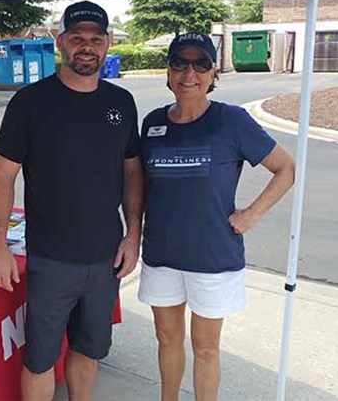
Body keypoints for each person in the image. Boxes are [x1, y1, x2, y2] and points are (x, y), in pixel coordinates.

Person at [0, 0, 144, 401]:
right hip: (51, 260)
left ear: (107, 44)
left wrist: (133, 236)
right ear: (60, 42)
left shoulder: (121, 103)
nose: (86, 47)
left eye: (95, 39)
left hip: (105, 256)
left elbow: (131, 172)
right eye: (77, 38)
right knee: (39, 359)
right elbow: (3, 178)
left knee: (88, 350)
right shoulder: (31, 102)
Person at [137, 32, 295, 401]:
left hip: (212, 256)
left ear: (213, 74)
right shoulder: (153, 123)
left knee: (205, 347)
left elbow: (285, 169)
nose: (189, 73)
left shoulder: (231, 121)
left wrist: (251, 215)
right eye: (180, 62)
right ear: (168, 71)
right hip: (162, 254)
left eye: (200, 64)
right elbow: (141, 185)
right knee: (166, 339)